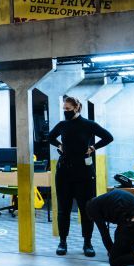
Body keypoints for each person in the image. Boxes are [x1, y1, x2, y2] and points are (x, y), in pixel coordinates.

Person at [49, 95, 113, 257]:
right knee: (63, 209)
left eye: (68, 109)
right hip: (64, 172)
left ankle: (88, 243)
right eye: (64, 109)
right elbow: (49, 137)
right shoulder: (62, 125)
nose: (66, 112)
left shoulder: (88, 125)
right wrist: (59, 145)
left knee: (86, 209)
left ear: (76, 108)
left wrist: (93, 147)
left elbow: (108, 137)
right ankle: (62, 242)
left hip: (84, 173)